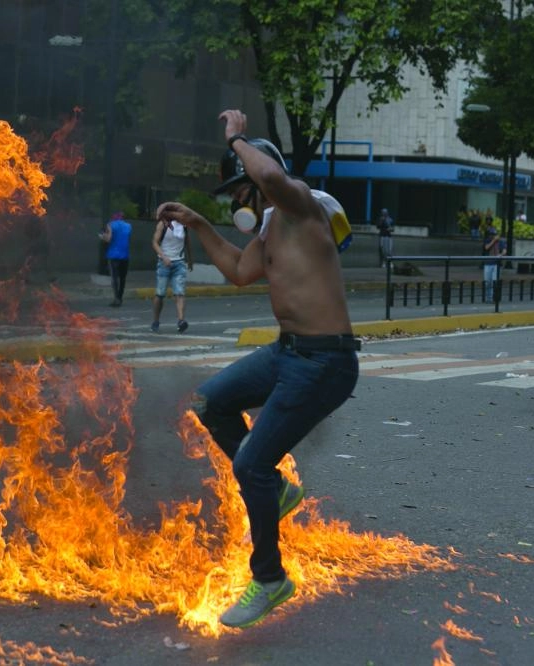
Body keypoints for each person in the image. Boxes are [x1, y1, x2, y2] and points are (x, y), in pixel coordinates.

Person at [154, 109, 359, 629]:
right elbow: (240, 272)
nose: (240, 198)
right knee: (210, 402)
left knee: (249, 466)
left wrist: (237, 139)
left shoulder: (302, 206)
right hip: (288, 352)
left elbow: (270, 177)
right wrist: (198, 224)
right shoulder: (270, 227)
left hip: (325, 361)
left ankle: (270, 579)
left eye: (240, 186)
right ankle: (280, 490)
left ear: (260, 172)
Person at [150, 217, 192, 332]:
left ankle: (181, 321)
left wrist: (190, 260)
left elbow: (187, 241)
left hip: (179, 262)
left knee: (179, 293)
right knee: (160, 293)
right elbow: (154, 242)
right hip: (164, 263)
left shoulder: (183, 225)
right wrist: (164, 257)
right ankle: (156, 320)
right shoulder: (163, 225)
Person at [100, 211, 132, 307]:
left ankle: (116, 298)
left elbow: (109, 239)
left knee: (114, 278)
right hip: (125, 255)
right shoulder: (129, 226)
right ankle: (120, 297)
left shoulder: (110, 225)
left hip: (113, 255)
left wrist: (102, 236)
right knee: (122, 278)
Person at [481, 217, 505, 303]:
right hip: (488, 263)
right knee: (487, 282)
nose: (493, 236)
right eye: (491, 234)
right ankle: (488, 298)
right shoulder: (487, 240)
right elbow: (486, 247)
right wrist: (493, 241)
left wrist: (500, 255)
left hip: (496, 264)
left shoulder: (500, 241)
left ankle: (494, 298)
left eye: (494, 234)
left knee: (495, 281)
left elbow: (504, 251)